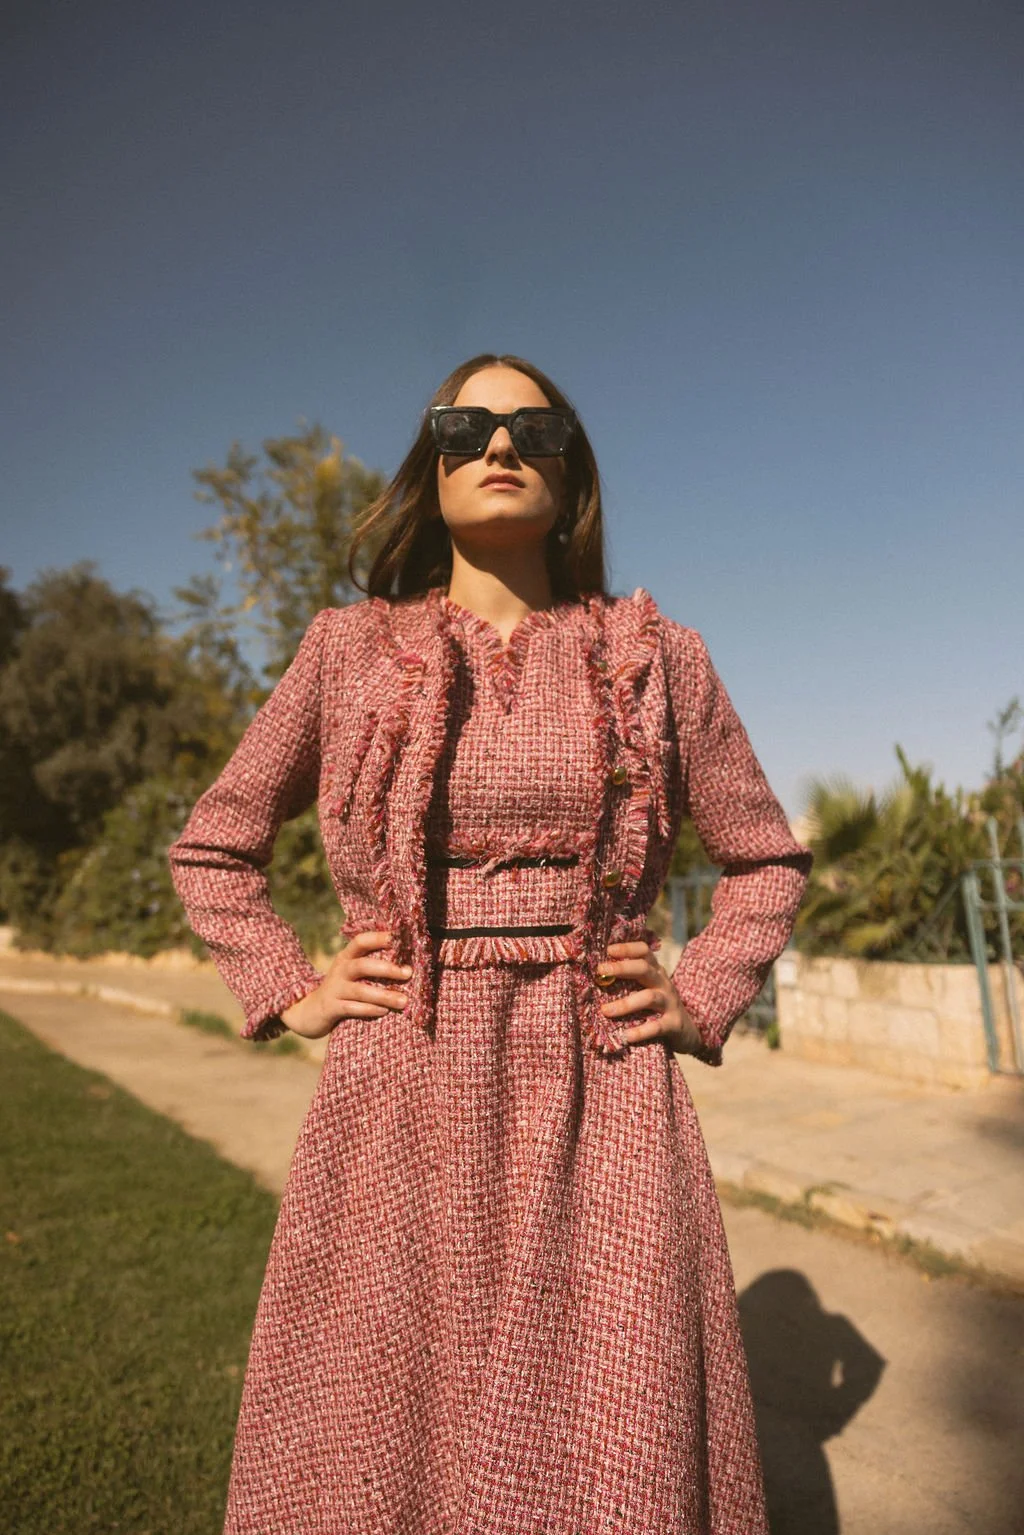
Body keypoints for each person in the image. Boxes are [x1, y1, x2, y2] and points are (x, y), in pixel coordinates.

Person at [168, 351, 813, 1535]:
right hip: (400, 1073)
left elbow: (766, 857)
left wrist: (703, 989)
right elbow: (214, 843)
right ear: (433, 464)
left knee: (607, 1438)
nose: (500, 445)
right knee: (385, 1432)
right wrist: (290, 987)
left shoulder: (660, 658)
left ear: (572, 473)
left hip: (605, 1076)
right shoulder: (345, 651)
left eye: (535, 427)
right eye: (465, 426)